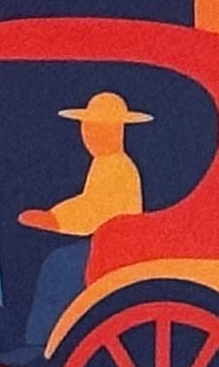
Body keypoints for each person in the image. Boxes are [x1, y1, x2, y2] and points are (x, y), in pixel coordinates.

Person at [19, 90, 150, 350]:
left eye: (99, 129)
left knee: (58, 265)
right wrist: (52, 216)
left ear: (117, 131)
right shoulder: (104, 164)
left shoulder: (118, 167)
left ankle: (41, 342)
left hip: (113, 249)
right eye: (88, 128)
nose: (90, 135)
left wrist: (54, 220)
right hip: (107, 242)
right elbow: (87, 201)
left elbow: (96, 210)